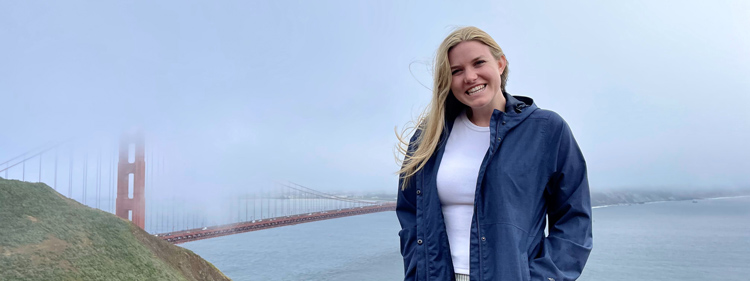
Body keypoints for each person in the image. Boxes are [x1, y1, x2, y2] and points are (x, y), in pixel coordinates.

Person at [395, 26, 593, 281]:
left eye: (479, 63)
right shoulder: (428, 136)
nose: (470, 77)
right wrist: (416, 269)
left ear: (500, 64)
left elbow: (575, 219)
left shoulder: (546, 130)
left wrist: (543, 277)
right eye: (456, 71)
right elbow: (410, 213)